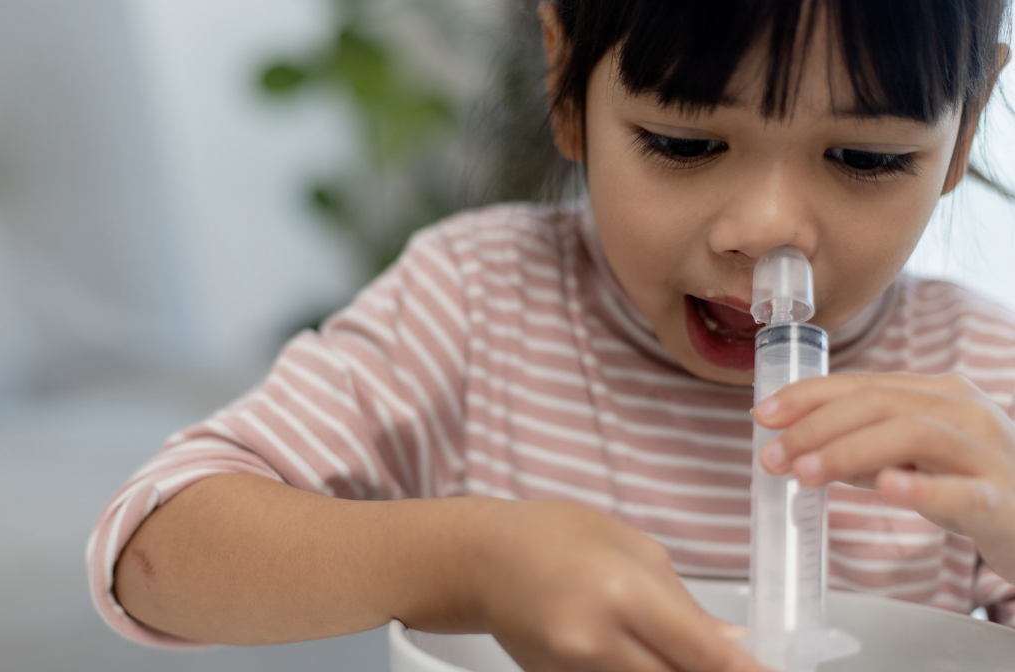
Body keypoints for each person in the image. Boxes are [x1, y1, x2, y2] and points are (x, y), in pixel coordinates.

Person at [88, 1, 1015, 670]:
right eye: (684, 143)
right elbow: (153, 554)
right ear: (566, 84)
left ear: (965, 129)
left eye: (867, 159)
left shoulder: (979, 381)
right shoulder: (479, 303)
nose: (769, 229)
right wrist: (472, 559)